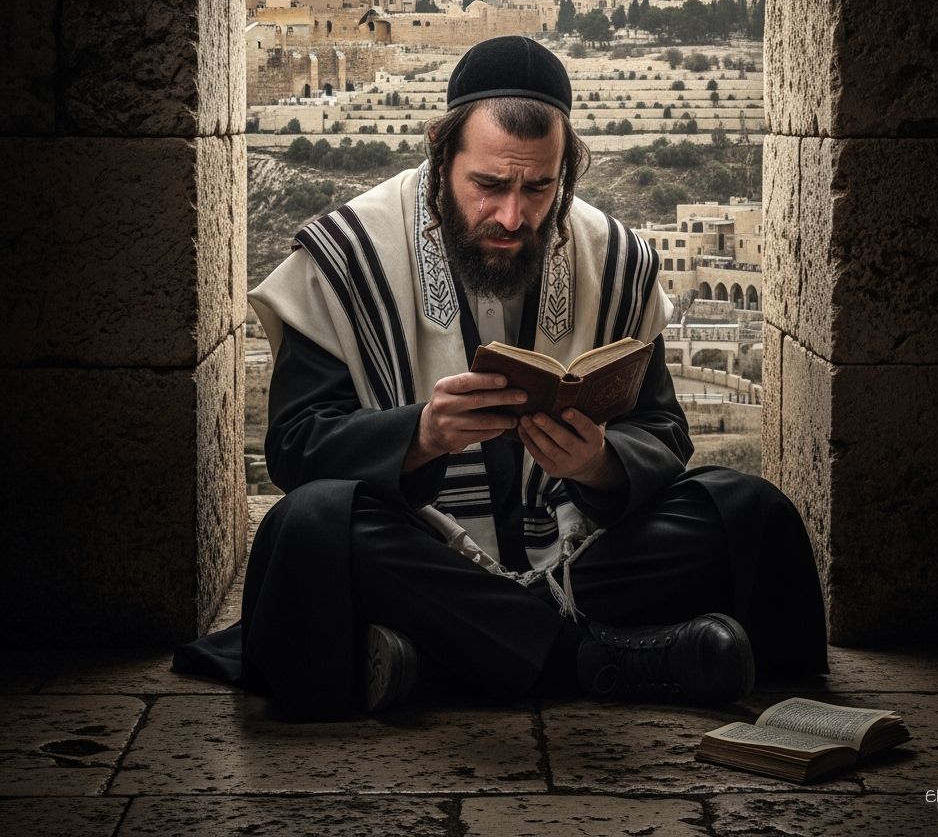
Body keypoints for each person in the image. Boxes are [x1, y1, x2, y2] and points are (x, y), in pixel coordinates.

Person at [174, 36, 827, 721]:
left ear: (565, 173)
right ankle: (597, 659)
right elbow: (296, 447)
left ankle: (442, 656)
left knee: (752, 512)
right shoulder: (346, 255)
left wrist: (602, 464)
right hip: (422, 552)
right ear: (440, 156)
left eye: (538, 188)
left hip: (578, 557)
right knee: (307, 526)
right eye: (488, 185)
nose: (513, 216)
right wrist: (419, 436)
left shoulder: (615, 257)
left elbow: (663, 431)